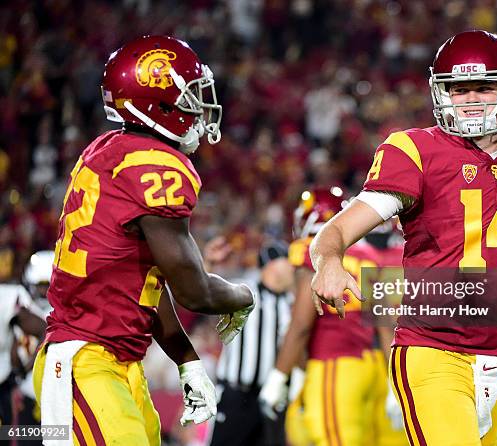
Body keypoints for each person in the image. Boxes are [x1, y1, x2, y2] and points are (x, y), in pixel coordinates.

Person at [309, 30, 497, 446]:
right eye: (460, 90)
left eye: (485, 86)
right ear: (441, 93)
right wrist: (329, 260)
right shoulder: (414, 152)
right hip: (433, 353)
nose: (473, 100)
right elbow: (334, 231)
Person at [31, 35, 254, 446]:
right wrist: (243, 295)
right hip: (84, 363)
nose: (199, 109)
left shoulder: (111, 151)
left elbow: (143, 282)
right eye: (189, 98)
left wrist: (188, 362)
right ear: (159, 104)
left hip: (116, 363)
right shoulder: (155, 167)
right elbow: (196, 291)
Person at [259, 187, 405, 446]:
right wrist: (393, 381)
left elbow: (302, 324)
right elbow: (385, 324)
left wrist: (278, 376)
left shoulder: (310, 251)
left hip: (334, 366)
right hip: (371, 366)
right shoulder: (369, 255)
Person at [212, 240, 294, 446]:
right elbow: (205, 292)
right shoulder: (244, 292)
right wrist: (208, 265)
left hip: (271, 399)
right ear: (273, 265)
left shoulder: (291, 302)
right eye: (288, 262)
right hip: (236, 395)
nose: (294, 267)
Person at [0, 253, 47, 428]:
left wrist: (22, 370)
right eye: (40, 286)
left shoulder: (8, 298)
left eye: (46, 286)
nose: (43, 292)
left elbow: (43, 330)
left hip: (20, 392)